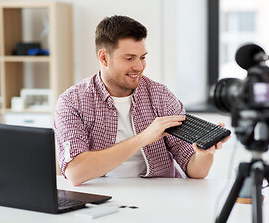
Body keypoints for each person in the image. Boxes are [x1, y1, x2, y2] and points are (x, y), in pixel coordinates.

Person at [54, 15, 230, 186]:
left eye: (142, 57)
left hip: (159, 197)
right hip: (101, 197)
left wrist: (205, 154)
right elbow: (75, 172)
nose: (139, 67)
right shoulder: (72, 102)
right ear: (104, 58)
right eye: (129, 58)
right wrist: (145, 137)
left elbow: (195, 171)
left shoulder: (161, 96)